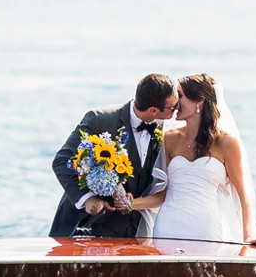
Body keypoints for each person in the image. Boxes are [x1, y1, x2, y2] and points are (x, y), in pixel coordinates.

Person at [137, 73, 256, 246]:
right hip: (167, 228)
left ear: (199, 101)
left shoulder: (226, 143)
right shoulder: (169, 139)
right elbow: (163, 194)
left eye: (180, 96)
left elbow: (243, 196)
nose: (174, 102)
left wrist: (248, 235)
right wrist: (130, 203)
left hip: (205, 229)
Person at [48, 74, 179, 239]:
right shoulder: (99, 120)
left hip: (135, 232)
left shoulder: (163, 129)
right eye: (173, 108)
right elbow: (62, 161)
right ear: (153, 110)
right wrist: (88, 198)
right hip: (88, 225)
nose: (175, 112)